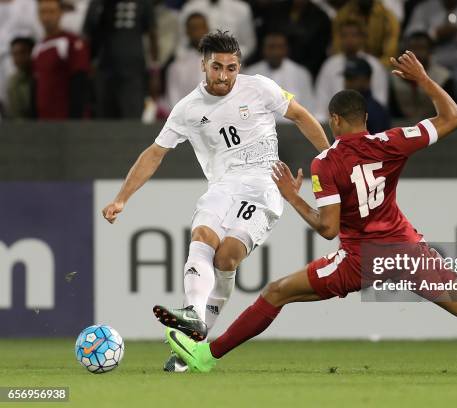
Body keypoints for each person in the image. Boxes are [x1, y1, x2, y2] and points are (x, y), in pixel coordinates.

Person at [163, 50, 457, 376]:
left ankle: (205, 357)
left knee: (276, 292)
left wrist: (292, 196)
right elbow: (454, 118)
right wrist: (424, 80)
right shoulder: (391, 141)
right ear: (366, 119)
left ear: (336, 120)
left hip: (359, 259)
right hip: (405, 249)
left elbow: (327, 229)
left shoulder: (327, 163)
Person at [102, 31, 329, 372]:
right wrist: (122, 198)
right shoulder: (187, 109)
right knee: (203, 237)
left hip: (264, 186)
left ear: (240, 66)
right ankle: (192, 321)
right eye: (217, 67)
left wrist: (330, 158)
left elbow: (300, 115)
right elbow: (154, 153)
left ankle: (192, 335)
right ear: (203, 65)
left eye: (231, 68)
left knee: (227, 257)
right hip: (221, 187)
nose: (224, 75)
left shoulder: (261, 88)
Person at [315, 19, 388, 120]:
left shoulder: (374, 65)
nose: (349, 40)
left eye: (354, 35)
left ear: (362, 38)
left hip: (366, 122)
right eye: (344, 36)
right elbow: (321, 103)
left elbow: (381, 101)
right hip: (333, 125)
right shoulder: (330, 65)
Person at [33, 0, 90, 119]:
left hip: (66, 120)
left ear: (61, 13)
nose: (47, 17)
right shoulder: (37, 48)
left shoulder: (71, 42)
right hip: (44, 121)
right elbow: (36, 86)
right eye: (43, 12)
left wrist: (75, 119)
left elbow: (80, 81)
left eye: (51, 11)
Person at [244, 31, 316, 117]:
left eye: (280, 47)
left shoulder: (301, 74)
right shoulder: (250, 74)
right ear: (263, 49)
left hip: (293, 128)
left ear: (286, 49)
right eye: (271, 47)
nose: (275, 52)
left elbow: (309, 110)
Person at [166, 12, 209, 108]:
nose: (198, 32)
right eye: (194, 28)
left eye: (201, 27)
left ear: (207, 29)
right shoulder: (176, 66)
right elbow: (173, 98)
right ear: (187, 32)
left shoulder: (223, 62)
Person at [343, 56, 390, 133]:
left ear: (366, 79)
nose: (347, 83)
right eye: (346, 78)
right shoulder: (343, 108)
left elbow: (379, 144)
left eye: (352, 78)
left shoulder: (375, 111)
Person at [5, 37, 35, 119]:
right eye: (15, 54)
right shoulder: (13, 82)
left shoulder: (41, 77)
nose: (18, 58)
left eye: (22, 53)